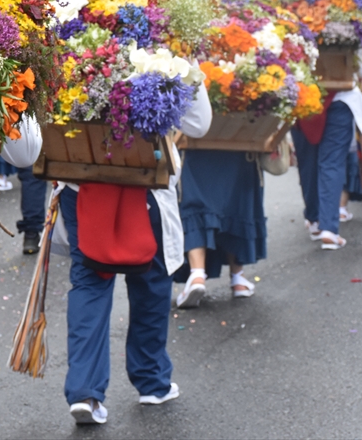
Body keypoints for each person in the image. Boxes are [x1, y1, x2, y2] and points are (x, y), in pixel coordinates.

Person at [59, 84, 211, 425]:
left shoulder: (69, 44)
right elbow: (199, 125)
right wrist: (189, 67)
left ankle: (85, 391)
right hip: (145, 179)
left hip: (83, 181)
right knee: (152, 280)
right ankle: (152, 381)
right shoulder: (168, 52)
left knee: (89, 283)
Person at [293, 48, 362, 250]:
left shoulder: (292, 22)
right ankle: (329, 227)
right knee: (332, 162)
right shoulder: (351, 24)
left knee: (307, 161)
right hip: (340, 98)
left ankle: (314, 221)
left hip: (302, 96)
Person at [173, 145, 266, 308]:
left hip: (196, 145)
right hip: (239, 143)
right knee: (235, 202)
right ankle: (238, 277)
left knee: (195, 202)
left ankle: (197, 274)